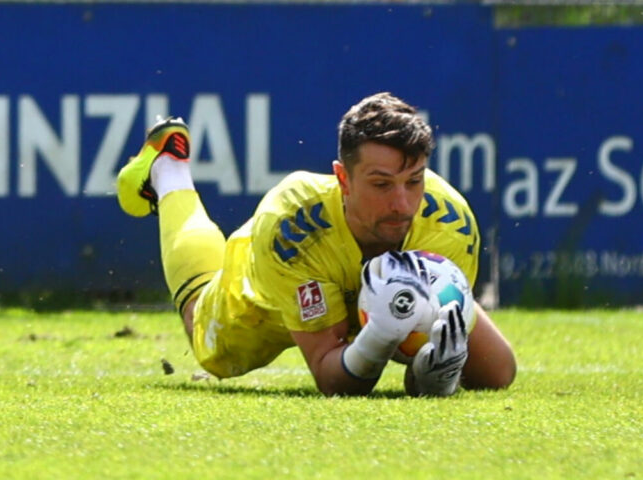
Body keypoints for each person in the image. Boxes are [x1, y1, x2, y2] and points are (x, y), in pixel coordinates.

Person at [116, 92, 515, 396]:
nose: (402, 204)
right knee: (211, 346)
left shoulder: (449, 222)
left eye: (414, 181)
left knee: (496, 373)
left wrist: (433, 373)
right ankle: (169, 170)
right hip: (267, 290)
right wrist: (377, 338)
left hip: (341, 279)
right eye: (380, 184)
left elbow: (496, 371)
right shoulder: (293, 229)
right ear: (343, 179)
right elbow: (329, 374)